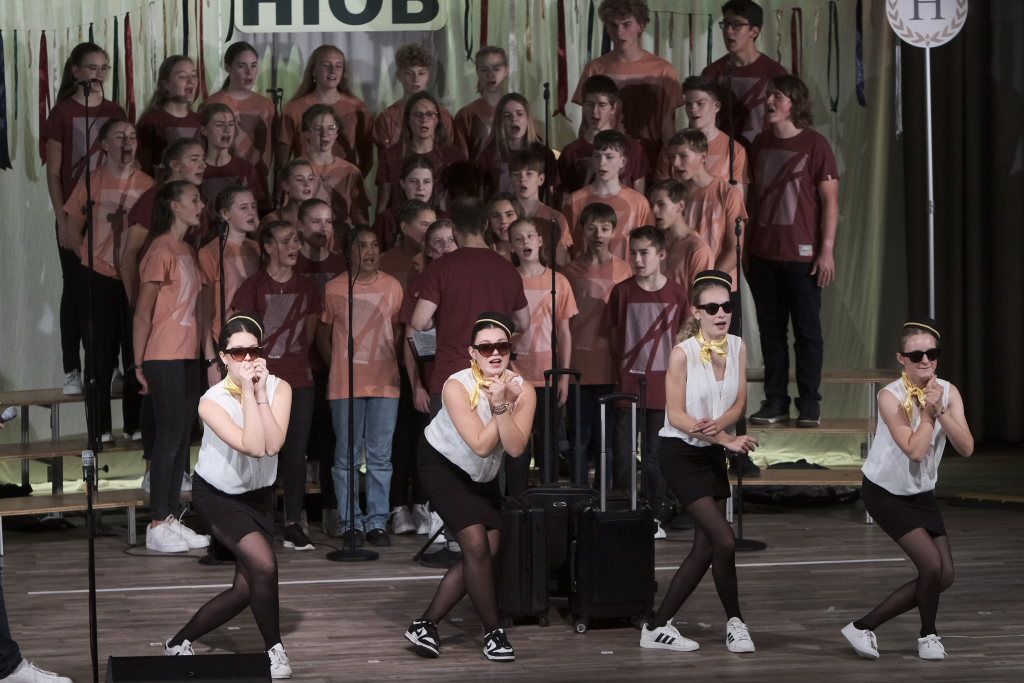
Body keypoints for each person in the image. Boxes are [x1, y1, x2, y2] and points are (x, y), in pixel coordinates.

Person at [163, 315, 294, 678]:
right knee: (264, 565)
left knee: (244, 588)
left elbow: (273, 445)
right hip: (218, 495)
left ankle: (178, 642)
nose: (248, 359)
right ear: (223, 357)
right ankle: (274, 651)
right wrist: (250, 393)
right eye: (238, 353)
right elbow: (252, 445)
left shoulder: (279, 389)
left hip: (259, 496)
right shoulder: (211, 401)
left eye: (254, 350)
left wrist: (260, 394)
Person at [405, 312, 536, 662]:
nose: (495, 353)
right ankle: (494, 632)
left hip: (482, 476)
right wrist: (501, 405)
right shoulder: (456, 386)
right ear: (472, 353)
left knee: (487, 551)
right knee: (476, 545)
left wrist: (504, 403)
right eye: (486, 347)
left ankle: (425, 624)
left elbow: (515, 448)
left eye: (502, 347)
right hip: (442, 466)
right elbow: (479, 444)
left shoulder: (524, 390)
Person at [640, 270, 758, 654]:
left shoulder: (737, 346)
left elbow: (739, 402)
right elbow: (676, 416)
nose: (721, 313)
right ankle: (664, 625)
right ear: (697, 312)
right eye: (712, 308)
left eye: (727, 306)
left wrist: (721, 432)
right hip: (680, 455)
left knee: (708, 547)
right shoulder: (683, 354)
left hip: (710, 455)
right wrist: (725, 438)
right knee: (724, 539)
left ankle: (720, 624)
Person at [842, 319, 973, 662]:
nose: (925, 360)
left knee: (946, 575)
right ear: (902, 359)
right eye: (916, 355)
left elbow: (966, 447)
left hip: (921, 491)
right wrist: (929, 415)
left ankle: (861, 627)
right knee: (931, 567)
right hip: (885, 491)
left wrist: (941, 410)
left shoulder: (949, 392)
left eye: (931, 353)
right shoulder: (890, 396)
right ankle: (928, 635)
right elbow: (915, 450)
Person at [746, 75, 839, 428]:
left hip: (802, 259)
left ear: (794, 103)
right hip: (763, 256)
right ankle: (776, 401)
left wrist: (826, 250)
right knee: (770, 333)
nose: (769, 101)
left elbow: (831, 203)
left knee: (807, 333)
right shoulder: (759, 143)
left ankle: (810, 403)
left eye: (778, 96)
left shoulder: (816, 145)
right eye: (768, 95)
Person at [42, 42, 127, 396]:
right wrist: (63, 220)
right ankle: (72, 369)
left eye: (104, 68)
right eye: (92, 67)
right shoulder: (62, 113)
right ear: (76, 71)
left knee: (112, 290)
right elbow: (54, 172)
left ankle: (110, 365)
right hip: (75, 215)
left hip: (110, 215)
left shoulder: (115, 111)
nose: (99, 74)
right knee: (76, 288)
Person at [232, 221, 322, 551]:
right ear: (269, 247)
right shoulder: (253, 287)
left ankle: (294, 523)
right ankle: (260, 521)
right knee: (263, 451)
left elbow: (309, 334)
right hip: (262, 383)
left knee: (296, 454)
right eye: (286, 241)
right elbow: (241, 337)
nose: (294, 246)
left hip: (298, 380)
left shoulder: (308, 288)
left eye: (296, 240)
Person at [62, 118, 153, 444]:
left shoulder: (147, 184)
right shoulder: (93, 181)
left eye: (132, 136)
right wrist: (91, 260)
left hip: (133, 278)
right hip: (97, 276)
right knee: (98, 355)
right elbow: (72, 229)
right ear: (104, 144)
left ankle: (135, 424)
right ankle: (99, 428)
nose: (127, 142)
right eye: (119, 137)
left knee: (134, 351)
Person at [132, 181, 210, 554]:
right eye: (194, 199)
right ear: (174, 206)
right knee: (168, 437)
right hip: (162, 354)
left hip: (187, 354)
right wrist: (137, 363)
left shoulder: (187, 250)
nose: (201, 205)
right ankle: (156, 522)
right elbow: (143, 313)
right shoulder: (160, 249)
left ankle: (171, 517)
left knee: (181, 438)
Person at [318, 227, 404, 546]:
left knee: (381, 456)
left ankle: (377, 520)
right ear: (348, 252)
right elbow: (323, 335)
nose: (370, 251)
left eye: (374, 245)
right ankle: (350, 521)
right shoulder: (334, 288)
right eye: (362, 246)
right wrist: (340, 365)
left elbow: (398, 330)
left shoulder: (392, 286)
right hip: (346, 384)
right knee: (347, 457)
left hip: (384, 382)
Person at [410, 198, 529, 404]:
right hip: (495, 380)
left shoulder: (441, 268)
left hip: (452, 376)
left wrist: (438, 320)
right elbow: (524, 323)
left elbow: (419, 322)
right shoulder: (508, 269)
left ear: (454, 228)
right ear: (485, 224)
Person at [607, 226, 685, 530]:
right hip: (628, 384)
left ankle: (657, 510)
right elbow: (615, 336)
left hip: (663, 387)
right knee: (623, 453)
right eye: (633, 253)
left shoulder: (677, 293)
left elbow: (683, 340)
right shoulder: (622, 292)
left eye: (644, 253)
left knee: (655, 454)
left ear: (661, 254)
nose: (637, 260)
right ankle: (623, 508)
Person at [505, 219, 577, 494]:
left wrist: (564, 377)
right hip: (515, 375)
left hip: (548, 374)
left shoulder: (558, 281)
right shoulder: (509, 280)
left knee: (548, 442)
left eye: (530, 236)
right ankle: (517, 500)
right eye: (518, 238)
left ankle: (547, 499)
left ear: (540, 241)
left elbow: (564, 332)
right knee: (518, 443)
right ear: (512, 245)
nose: (525, 241)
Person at [564, 203, 632, 485]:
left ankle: (606, 496)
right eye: (592, 228)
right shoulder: (569, 271)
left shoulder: (625, 270)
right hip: (578, 365)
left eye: (605, 228)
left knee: (607, 439)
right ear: (582, 231)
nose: (598, 234)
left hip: (611, 364)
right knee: (578, 438)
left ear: (614, 232)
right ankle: (579, 496)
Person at [573, 0, 683, 167]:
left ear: (641, 25)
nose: (619, 32)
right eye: (613, 25)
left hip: (649, 158)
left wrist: (669, 166)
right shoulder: (594, 68)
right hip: (605, 158)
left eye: (626, 24)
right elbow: (586, 123)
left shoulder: (663, 71)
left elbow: (668, 126)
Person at [670, 129, 746, 333]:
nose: (676, 163)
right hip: (683, 290)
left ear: (702, 157)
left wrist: (707, 285)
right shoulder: (673, 196)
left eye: (683, 156)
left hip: (719, 290)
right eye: (673, 157)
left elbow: (735, 249)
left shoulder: (728, 194)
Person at [121, 139, 209, 304]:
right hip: (157, 297)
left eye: (203, 158)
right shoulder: (154, 198)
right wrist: (135, 303)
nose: (203, 165)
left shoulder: (197, 199)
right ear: (175, 165)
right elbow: (129, 256)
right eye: (194, 159)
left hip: (184, 296)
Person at [198, 186, 261, 387]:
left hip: (254, 339)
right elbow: (204, 311)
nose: (251, 212)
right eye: (244, 207)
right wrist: (211, 359)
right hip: (225, 341)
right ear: (225, 214)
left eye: (253, 206)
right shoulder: (210, 253)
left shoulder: (257, 249)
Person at [701, 0, 787, 148]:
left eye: (737, 25)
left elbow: (784, 121)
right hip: (722, 153)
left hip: (761, 151)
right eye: (726, 23)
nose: (728, 31)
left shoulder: (774, 72)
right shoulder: (713, 72)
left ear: (754, 31)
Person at [279, 45, 373, 175]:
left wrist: (351, 182)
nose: (333, 71)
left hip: (344, 184)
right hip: (306, 184)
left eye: (338, 66)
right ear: (314, 70)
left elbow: (367, 158)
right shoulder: (293, 109)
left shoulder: (358, 108)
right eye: (326, 65)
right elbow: (282, 162)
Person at [564, 130, 653, 261]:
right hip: (586, 272)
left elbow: (649, 246)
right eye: (597, 156)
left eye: (609, 157)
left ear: (622, 161)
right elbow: (565, 246)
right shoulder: (575, 200)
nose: (602, 163)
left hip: (626, 272)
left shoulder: (638, 203)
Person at [654, 76, 749, 192]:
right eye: (688, 104)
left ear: (716, 106)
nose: (693, 109)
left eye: (700, 103)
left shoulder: (735, 150)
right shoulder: (672, 147)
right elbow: (662, 194)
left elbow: (738, 199)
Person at [376, 92, 467, 212]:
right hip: (400, 221)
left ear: (437, 120)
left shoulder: (454, 157)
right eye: (418, 115)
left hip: (443, 221)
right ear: (408, 120)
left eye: (430, 114)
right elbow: (383, 203)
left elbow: (462, 203)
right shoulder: (391, 156)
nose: (424, 120)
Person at [559, 75, 649, 194]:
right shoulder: (570, 152)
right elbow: (566, 197)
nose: (595, 111)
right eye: (589, 104)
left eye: (602, 105)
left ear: (613, 108)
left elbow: (639, 196)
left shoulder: (633, 148)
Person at [205, 42, 277, 184]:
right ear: (228, 67)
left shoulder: (267, 105)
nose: (249, 72)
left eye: (253, 65)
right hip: (222, 179)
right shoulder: (212, 104)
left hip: (257, 181)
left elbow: (272, 146)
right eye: (241, 66)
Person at [371, 44, 455, 155]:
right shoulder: (387, 118)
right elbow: (384, 160)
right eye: (408, 73)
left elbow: (448, 155)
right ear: (399, 76)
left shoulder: (442, 116)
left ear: (428, 76)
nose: (416, 79)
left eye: (421, 73)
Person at [474, 93, 558, 200]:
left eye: (519, 114)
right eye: (507, 116)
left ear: (528, 119)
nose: (514, 119)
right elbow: (480, 199)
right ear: (500, 122)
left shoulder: (544, 154)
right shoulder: (488, 156)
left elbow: (552, 197)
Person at [301, 105, 370, 229]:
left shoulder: (351, 172)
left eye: (331, 128)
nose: (325, 135)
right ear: (306, 133)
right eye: (317, 129)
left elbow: (361, 221)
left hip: (340, 238)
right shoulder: (295, 170)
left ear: (337, 133)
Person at [198, 102, 270, 221]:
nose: (227, 129)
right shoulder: (196, 168)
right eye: (219, 125)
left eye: (231, 124)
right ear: (204, 130)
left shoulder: (245, 168)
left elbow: (253, 215)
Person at [136, 56, 201, 175]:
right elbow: (142, 167)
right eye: (182, 76)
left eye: (193, 75)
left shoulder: (198, 120)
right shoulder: (151, 121)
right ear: (165, 84)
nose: (190, 81)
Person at [648, 179, 714, 294]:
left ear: (680, 206)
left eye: (661, 204)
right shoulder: (653, 243)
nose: (654, 210)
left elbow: (699, 299)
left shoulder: (698, 249)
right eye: (652, 205)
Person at [510, 146, 573, 265]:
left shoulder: (555, 218)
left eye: (529, 174)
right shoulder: (504, 216)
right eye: (516, 174)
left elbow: (560, 263)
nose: (522, 179)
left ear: (541, 179)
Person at [453, 47, 509, 162]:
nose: (491, 74)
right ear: (477, 71)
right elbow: (461, 160)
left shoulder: (518, 111)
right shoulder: (466, 115)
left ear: (506, 71)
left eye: (496, 69)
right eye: (484, 70)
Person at [373, 155, 438, 250]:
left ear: (433, 183)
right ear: (403, 183)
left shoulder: (443, 218)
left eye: (426, 181)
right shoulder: (386, 219)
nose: (420, 187)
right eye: (413, 181)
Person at [484, 192, 524, 263]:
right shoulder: (484, 253)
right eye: (496, 216)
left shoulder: (532, 251)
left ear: (519, 217)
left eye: (509, 215)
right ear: (489, 221)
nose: (503, 221)